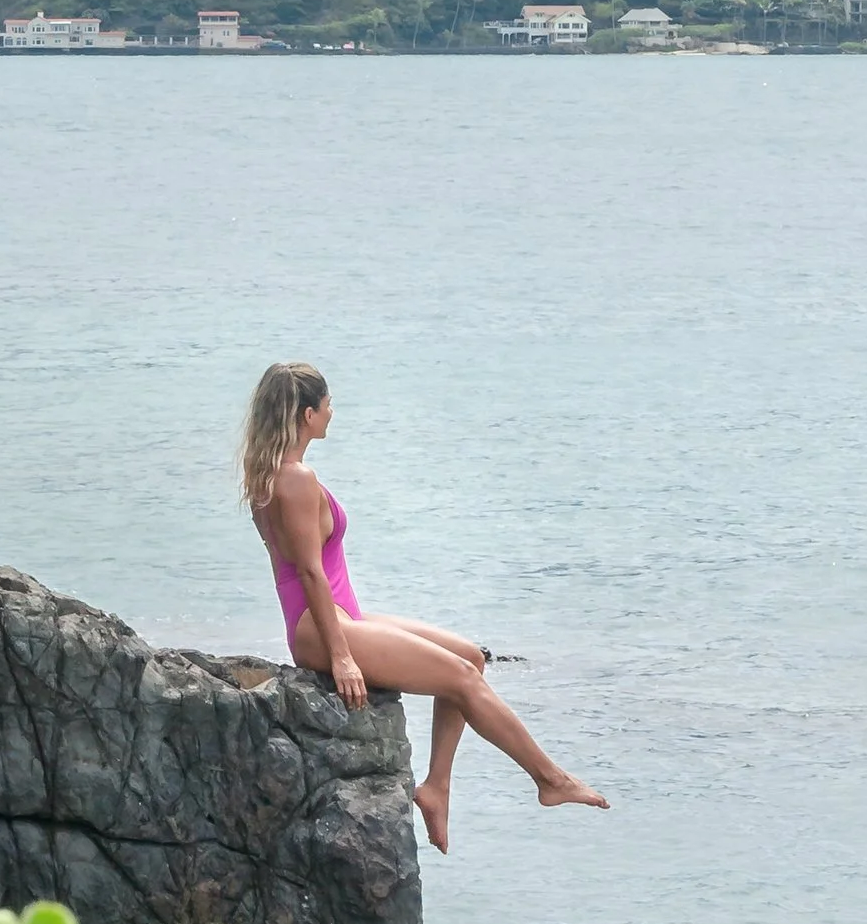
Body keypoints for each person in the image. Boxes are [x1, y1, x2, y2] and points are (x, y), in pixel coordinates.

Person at [239, 359, 607, 853]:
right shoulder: (296, 479)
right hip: (319, 626)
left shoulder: (271, 474)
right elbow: (308, 571)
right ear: (307, 414)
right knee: (461, 677)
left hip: (337, 616)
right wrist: (342, 654)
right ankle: (550, 778)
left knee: (470, 658)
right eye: (327, 405)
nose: (332, 413)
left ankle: (437, 788)